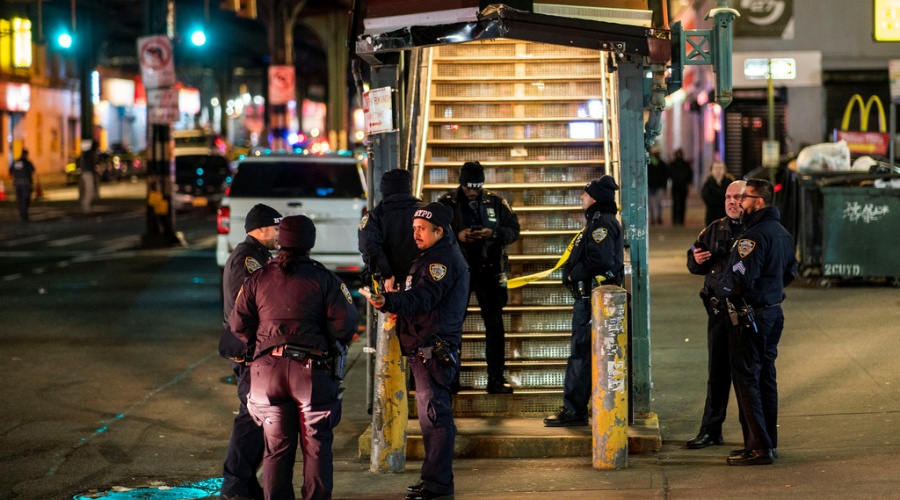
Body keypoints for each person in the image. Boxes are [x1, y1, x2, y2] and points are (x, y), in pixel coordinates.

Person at [230, 215, 358, 499]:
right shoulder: (325, 279)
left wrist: (262, 343)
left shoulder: (258, 278)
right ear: (309, 243)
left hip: (266, 375)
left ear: (281, 241)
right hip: (310, 372)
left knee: (276, 449)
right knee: (316, 445)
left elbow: (238, 324)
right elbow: (345, 325)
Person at [363, 202, 469, 500]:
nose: (416, 234)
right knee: (430, 419)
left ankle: (438, 486)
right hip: (424, 348)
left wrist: (389, 302)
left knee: (435, 419)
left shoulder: (441, 261)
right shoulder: (429, 257)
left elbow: (423, 298)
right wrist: (399, 303)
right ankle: (434, 482)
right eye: (414, 228)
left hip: (433, 350)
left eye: (422, 229)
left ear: (440, 230)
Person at [715, 178, 797, 466]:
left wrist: (719, 289)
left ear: (758, 202)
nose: (740, 203)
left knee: (748, 380)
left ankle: (759, 447)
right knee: (766, 378)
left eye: (745, 198)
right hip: (773, 312)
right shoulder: (783, 233)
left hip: (750, 315)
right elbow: (791, 273)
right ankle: (766, 443)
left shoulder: (752, 237)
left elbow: (739, 279)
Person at [544, 176, 624, 427]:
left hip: (593, 300)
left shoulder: (601, 224)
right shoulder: (600, 222)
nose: (581, 198)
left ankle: (574, 409)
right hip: (593, 300)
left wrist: (572, 273)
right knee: (584, 354)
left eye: (585, 194)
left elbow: (599, 261)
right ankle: (577, 407)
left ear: (595, 199)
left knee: (580, 354)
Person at [218, 203, 283, 500]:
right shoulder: (247, 259)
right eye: (276, 227)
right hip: (250, 352)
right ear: (260, 229)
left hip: (256, 350)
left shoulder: (257, 256)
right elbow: (250, 307)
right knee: (250, 419)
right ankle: (235, 485)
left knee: (258, 418)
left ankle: (244, 484)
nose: (279, 233)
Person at [439, 161, 520, 394]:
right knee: (452, 325)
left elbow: (514, 230)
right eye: (467, 186)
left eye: (476, 186)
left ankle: (495, 378)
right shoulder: (447, 203)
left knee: (494, 325)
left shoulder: (496, 201)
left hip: (489, 270)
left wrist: (492, 233)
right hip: (457, 272)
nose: (472, 191)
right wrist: (457, 236)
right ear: (460, 183)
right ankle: (450, 379)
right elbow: (431, 231)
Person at [684, 180, 746, 450]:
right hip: (718, 314)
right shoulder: (714, 229)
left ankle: (753, 437)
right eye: (728, 197)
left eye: (738, 197)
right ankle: (711, 430)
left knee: (746, 377)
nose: (732, 202)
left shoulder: (755, 230)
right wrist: (695, 260)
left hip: (745, 315)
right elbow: (695, 257)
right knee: (717, 373)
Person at [358, 168, 425, 292]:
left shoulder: (375, 216)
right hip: (424, 281)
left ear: (384, 190)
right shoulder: (427, 213)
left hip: (392, 286)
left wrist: (386, 274)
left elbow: (369, 247)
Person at [700, 160, 735, 226]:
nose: (718, 170)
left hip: (726, 212)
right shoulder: (708, 183)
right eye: (715, 168)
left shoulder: (729, 182)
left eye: (720, 168)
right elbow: (706, 196)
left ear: (724, 170)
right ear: (711, 170)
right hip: (712, 212)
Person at [668, 148, 693, 226]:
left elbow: (690, 175)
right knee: (678, 203)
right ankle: (677, 220)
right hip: (677, 186)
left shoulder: (682, 164)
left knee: (680, 203)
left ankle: (678, 220)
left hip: (681, 186)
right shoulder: (679, 164)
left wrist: (689, 184)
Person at [10, 149, 36, 223]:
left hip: (17, 184)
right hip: (25, 184)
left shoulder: (16, 162)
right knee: (25, 200)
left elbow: (11, 171)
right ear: (26, 155)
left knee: (20, 200)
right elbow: (33, 170)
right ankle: (25, 216)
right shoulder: (27, 163)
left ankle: (22, 215)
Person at [647, 146, 668, 225]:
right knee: (653, 204)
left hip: (657, 186)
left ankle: (658, 218)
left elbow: (665, 176)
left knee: (658, 204)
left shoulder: (661, 164)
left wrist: (664, 186)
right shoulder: (650, 163)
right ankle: (654, 218)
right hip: (652, 186)